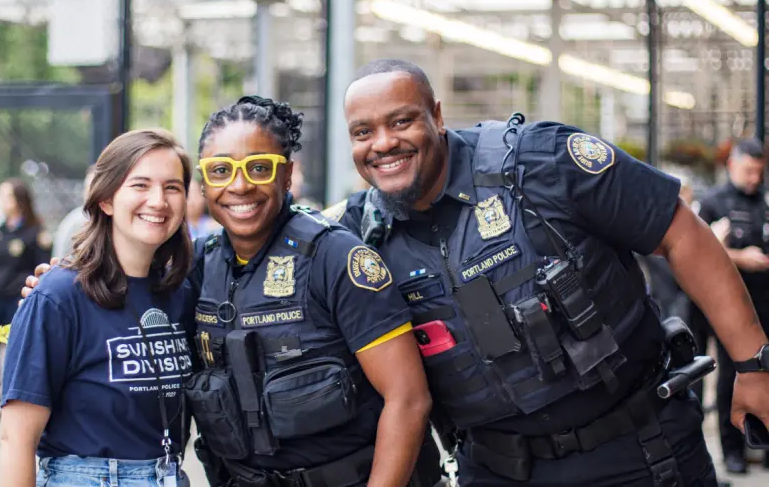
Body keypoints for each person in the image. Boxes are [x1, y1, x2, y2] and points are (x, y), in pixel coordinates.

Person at [322, 58, 769, 486]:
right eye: (363, 132)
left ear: (436, 116)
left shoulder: (541, 162)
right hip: (495, 469)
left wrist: (754, 366)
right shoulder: (359, 240)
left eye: (401, 122)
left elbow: (679, 233)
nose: (382, 143)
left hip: (641, 451)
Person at [23, 97, 438, 487]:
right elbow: (124, 291)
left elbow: (408, 399)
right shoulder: (197, 269)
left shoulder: (335, 258)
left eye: (259, 167)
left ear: (287, 175)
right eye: (220, 171)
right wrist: (62, 282)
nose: (239, 186)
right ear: (203, 184)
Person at [0, 129, 194, 487]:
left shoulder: (180, 293)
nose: (158, 200)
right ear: (106, 200)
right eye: (140, 185)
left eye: (172, 187)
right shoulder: (58, 295)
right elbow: (16, 439)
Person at [697, 137, 769, 474]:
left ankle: (764, 446)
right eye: (749, 171)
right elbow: (697, 255)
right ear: (732, 165)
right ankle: (733, 450)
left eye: (759, 172)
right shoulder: (713, 203)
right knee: (734, 376)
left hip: (767, 303)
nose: (755, 178)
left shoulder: (765, 200)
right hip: (733, 306)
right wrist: (741, 257)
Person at [0, 178, 52, 416]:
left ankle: (13, 403)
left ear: (18, 201)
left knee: (18, 351)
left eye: (6, 196)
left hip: (17, 300)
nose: (2, 202)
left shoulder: (36, 233)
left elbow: (40, 268)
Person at [51, 164, 96, 258]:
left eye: (93, 189)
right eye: (86, 188)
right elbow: (61, 263)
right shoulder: (76, 223)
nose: (88, 194)